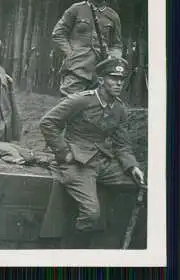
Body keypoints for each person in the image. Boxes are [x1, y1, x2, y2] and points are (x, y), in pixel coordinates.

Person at [39, 58, 145, 248]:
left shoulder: (119, 108)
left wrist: (133, 166)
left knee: (137, 185)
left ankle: (114, 242)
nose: (119, 83)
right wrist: (63, 153)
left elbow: (122, 145)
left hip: (102, 162)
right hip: (77, 163)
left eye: (122, 79)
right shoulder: (81, 100)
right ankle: (73, 250)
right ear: (102, 79)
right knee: (91, 213)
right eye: (113, 78)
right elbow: (48, 122)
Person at [52, 0, 123, 97]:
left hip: (100, 73)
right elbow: (58, 34)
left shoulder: (113, 16)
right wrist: (70, 54)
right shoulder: (76, 10)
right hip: (77, 70)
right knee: (70, 107)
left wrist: (113, 59)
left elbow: (116, 44)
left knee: (96, 111)